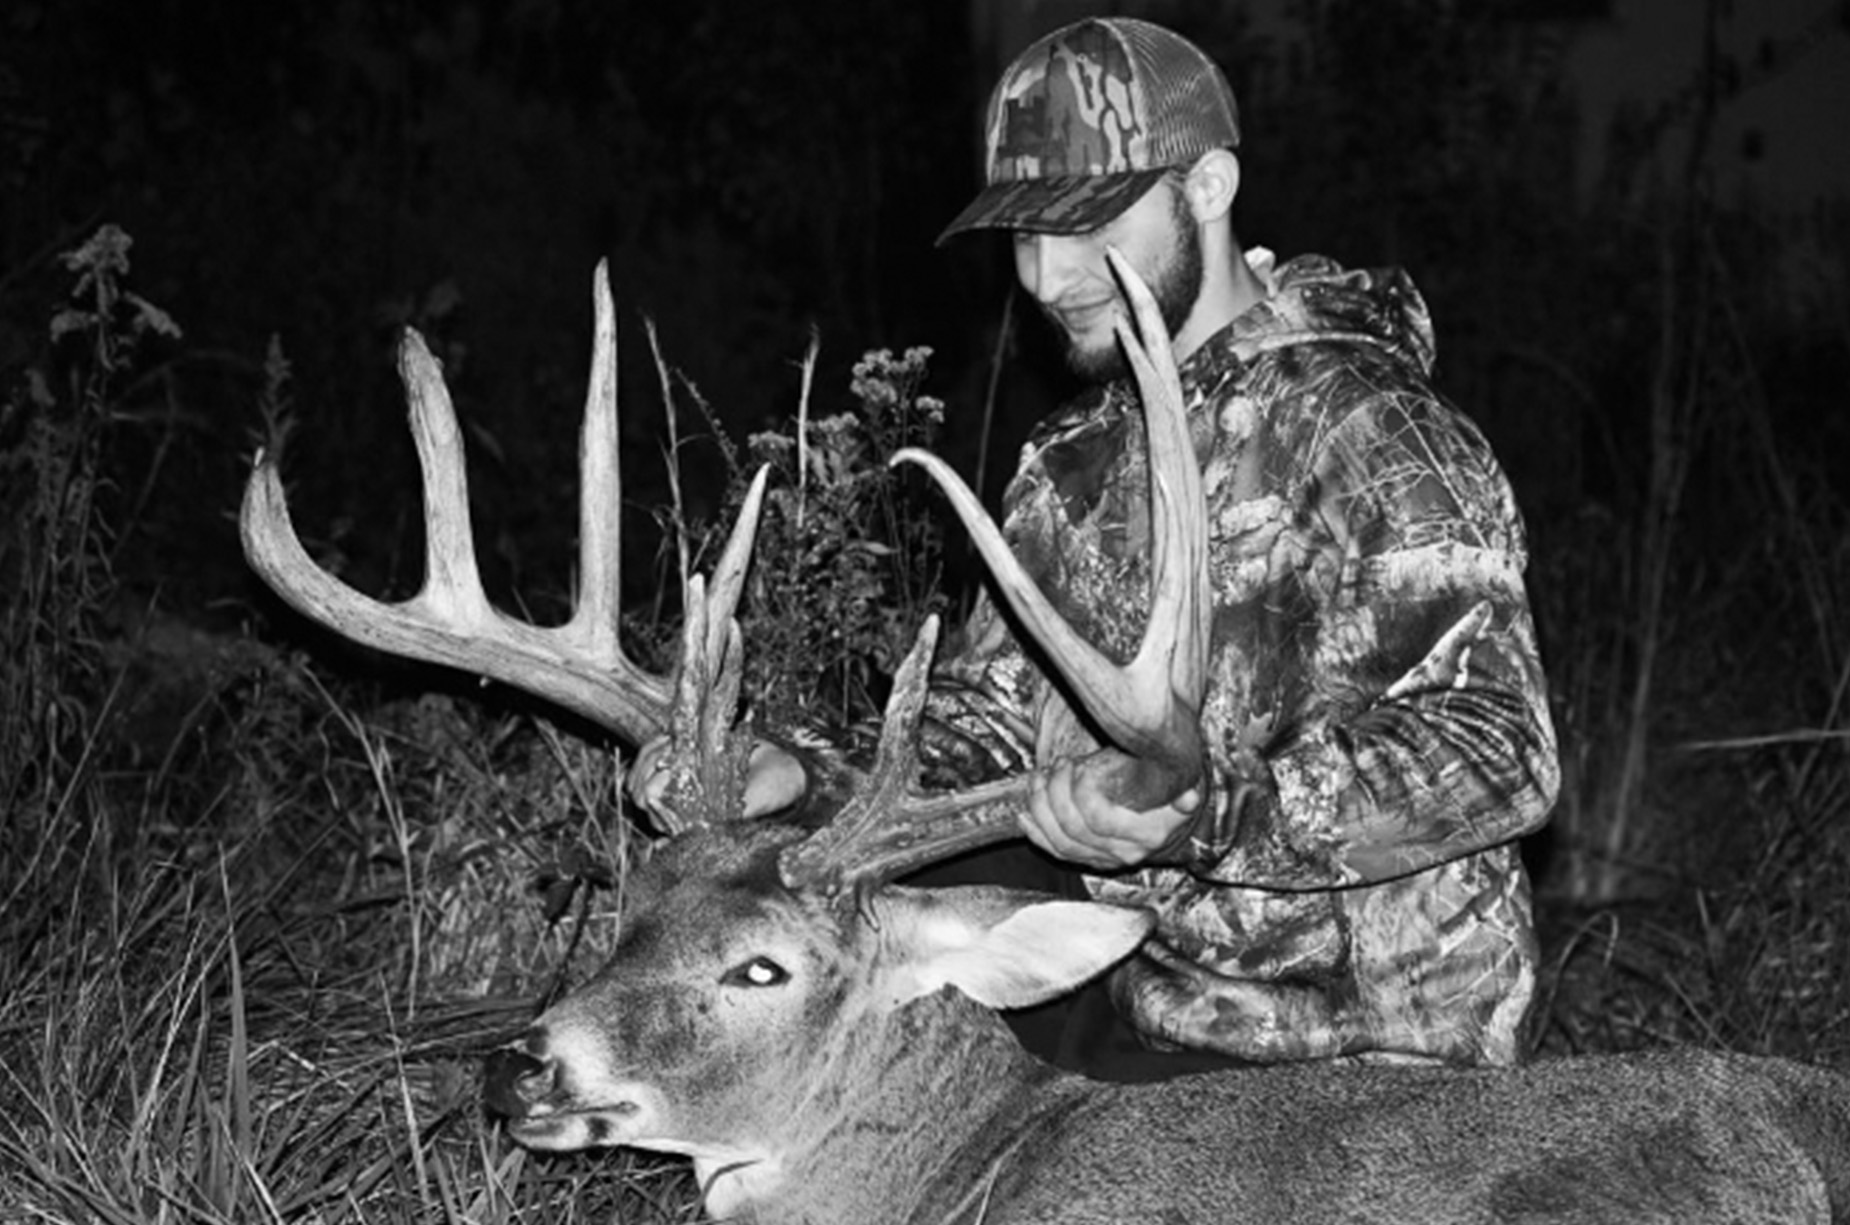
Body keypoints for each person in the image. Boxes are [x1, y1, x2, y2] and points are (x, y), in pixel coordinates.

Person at [645, 16, 1559, 1075]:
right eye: (1022, 235)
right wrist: (795, 774)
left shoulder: (1371, 431)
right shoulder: (1072, 458)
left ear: (1206, 186)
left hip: (1369, 1059)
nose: (1042, 275)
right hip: (1147, 1010)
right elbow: (984, 721)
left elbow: (1501, 751)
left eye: (1085, 226)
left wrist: (1207, 811)